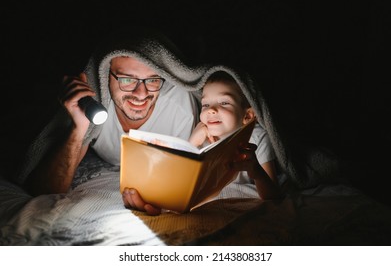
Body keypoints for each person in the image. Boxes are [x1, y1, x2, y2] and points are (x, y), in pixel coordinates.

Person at [19, 28, 203, 215]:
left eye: (152, 80)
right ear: (106, 76)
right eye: (127, 80)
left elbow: (182, 180)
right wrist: (78, 128)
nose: (141, 94)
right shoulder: (97, 105)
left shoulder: (181, 111)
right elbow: (45, 191)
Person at [188, 71, 282, 200]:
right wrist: (191, 144)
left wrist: (257, 172)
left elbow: (273, 196)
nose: (211, 110)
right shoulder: (200, 136)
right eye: (205, 104)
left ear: (248, 116)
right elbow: (178, 180)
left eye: (224, 103)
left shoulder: (257, 138)